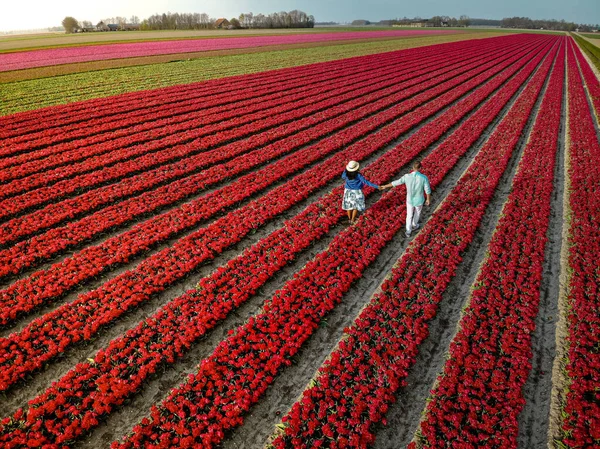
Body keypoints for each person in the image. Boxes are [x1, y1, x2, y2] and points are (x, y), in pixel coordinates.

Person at [381, 160, 431, 237]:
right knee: (417, 213)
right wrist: (428, 199)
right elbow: (427, 190)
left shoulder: (407, 176)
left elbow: (396, 182)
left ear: (413, 167)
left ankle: (408, 232)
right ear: (420, 168)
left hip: (410, 200)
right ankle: (414, 225)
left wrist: (385, 186)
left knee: (409, 215)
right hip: (419, 200)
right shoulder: (424, 178)